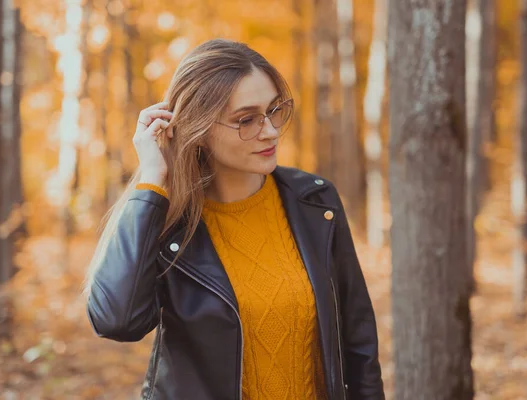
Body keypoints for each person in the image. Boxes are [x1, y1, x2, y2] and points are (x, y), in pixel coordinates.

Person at [84, 38, 384, 400]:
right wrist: (151, 180)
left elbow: (358, 340)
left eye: (274, 110)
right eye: (246, 120)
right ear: (199, 127)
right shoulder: (170, 223)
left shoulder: (315, 201)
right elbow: (117, 320)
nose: (270, 131)